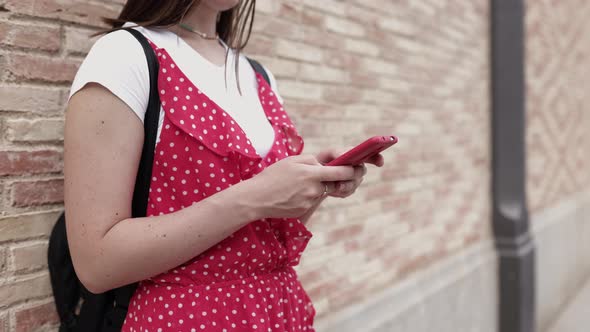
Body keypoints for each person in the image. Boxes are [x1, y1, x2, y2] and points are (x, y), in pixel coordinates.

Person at [64, 0, 384, 331]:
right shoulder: (125, 56)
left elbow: (256, 235)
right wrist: (255, 197)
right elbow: (96, 263)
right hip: (185, 320)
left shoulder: (257, 75)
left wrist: (308, 185)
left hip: (278, 312)